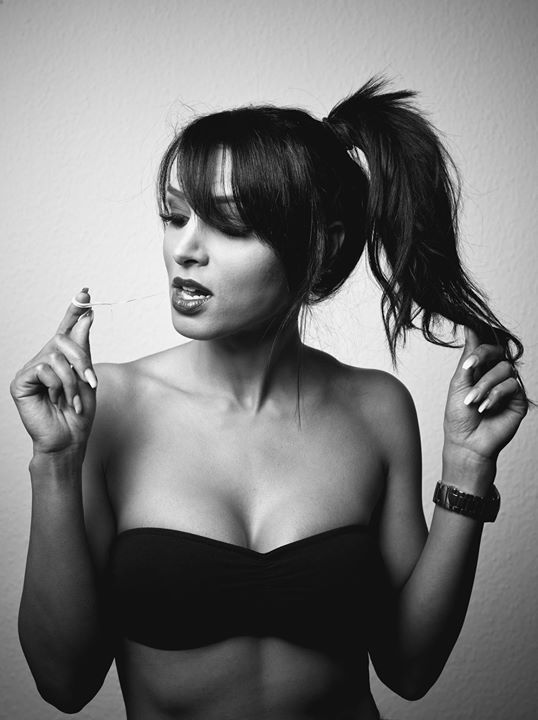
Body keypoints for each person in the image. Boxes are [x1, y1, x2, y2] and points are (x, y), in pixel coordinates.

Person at [10, 76, 531, 720]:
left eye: (229, 226)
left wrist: (468, 468)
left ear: (321, 246)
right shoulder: (103, 407)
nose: (185, 250)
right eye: (175, 216)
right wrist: (55, 464)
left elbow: (410, 669)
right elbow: (63, 684)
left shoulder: (377, 408)